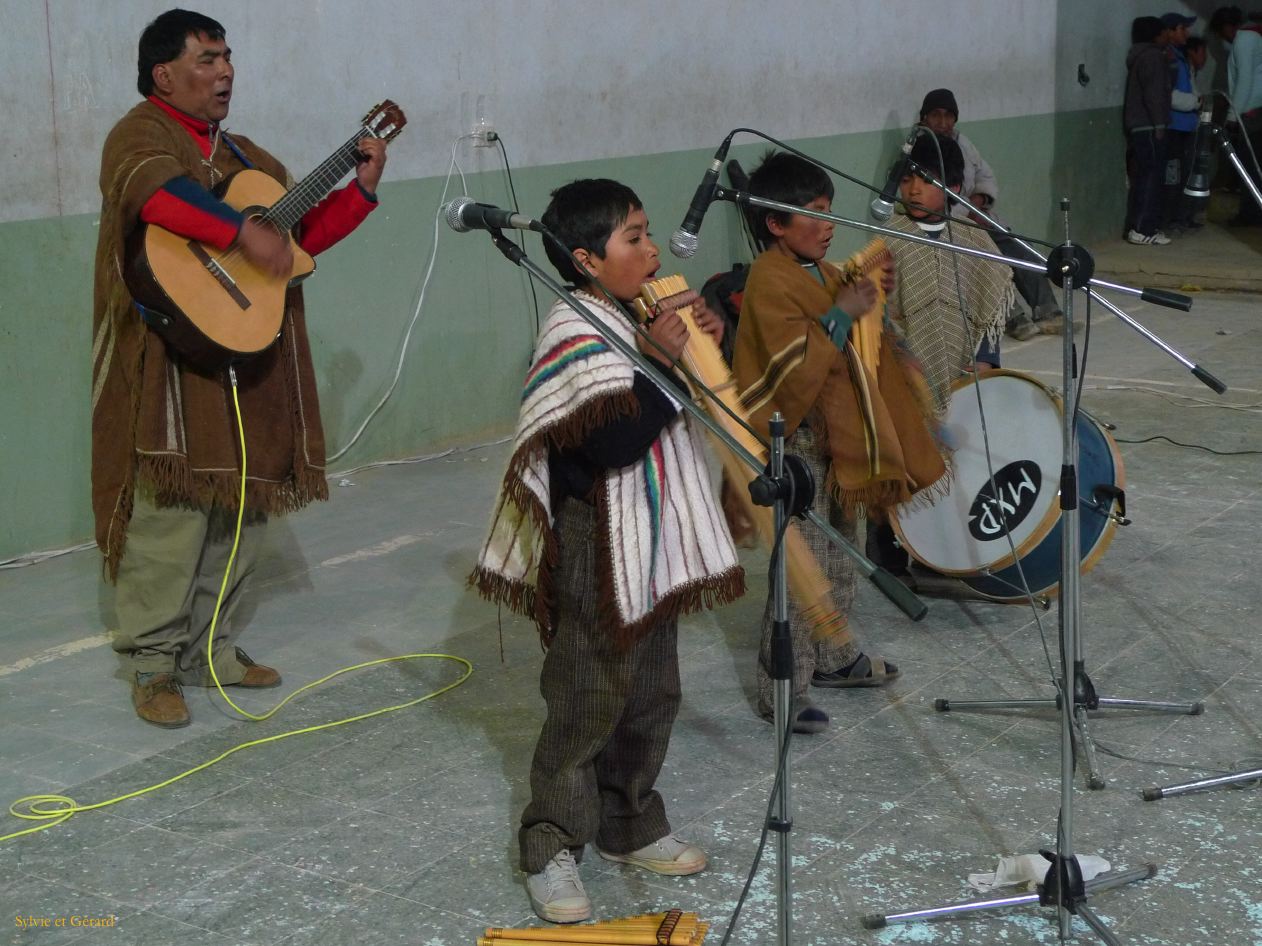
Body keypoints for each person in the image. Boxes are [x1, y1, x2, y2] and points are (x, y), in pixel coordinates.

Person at [92, 10, 387, 727]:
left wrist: (362, 191)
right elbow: (160, 197)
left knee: (243, 508)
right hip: (169, 359)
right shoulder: (139, 133)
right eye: (206, 59)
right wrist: (239, 233)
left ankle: (210, 651)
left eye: (228, 58)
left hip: (249, 359)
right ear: (164, 74)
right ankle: (153, 665)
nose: (224, 72)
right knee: (173, 516)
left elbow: (296, 243)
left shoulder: (251, 158)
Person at [471, 179, 745, 923]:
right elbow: (613, 439)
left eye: (649, 232)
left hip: (651, 536)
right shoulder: (573, 328)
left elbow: (675, 409)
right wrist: (661, 360)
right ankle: (552, 842)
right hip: (598, 538)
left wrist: (701, 345)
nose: (653, 250)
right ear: (588, 259)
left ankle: (630, 823)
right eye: (634, 238)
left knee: (653, 691)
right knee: (588, 699)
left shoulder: (637, 313)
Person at [731, 151, 948, 735]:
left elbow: (859, 348)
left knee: (842, 553)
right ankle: (783, 688)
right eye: (814, 213)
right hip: (795, 444)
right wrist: (842, 315)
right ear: (775, 224)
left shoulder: (825, 275)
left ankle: (831, 657)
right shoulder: (768, 279)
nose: (829, 225)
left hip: (837, 448)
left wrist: (869, 302)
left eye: (830, 211)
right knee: (801, 565)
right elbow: (787, 371)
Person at [866, 133, 1013, 577]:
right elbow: (877, 312)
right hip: (905, 373)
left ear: (953, 186)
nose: (913, 190)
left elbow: (993, 301)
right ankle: (890, 553)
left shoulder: (973, 238)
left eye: (927, 181)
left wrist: (986, 359)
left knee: (957, 463)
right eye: (908, 179)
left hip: (963, 372)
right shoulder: (889, 239)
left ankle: (942, 554)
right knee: (905, 464)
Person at [918, 88, 1066, 339]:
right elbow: (929, 199)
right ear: (924, 118)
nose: (942, 122)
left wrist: (979, 200)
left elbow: (985, 175)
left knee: (1018, 248)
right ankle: (1013, 319)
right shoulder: (918, 149)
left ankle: (1047, 311)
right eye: (936, 115)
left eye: (948, 116)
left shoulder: (962, 143)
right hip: (949, 228)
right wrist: (968, 213)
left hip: (979, 218)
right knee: (988, 260)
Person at [1124, 16, 1174, 244]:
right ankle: (1143, 229)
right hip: (1150, 126)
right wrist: (1160, 125)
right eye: (1165, 32)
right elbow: (1155, 95)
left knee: (1146, 176)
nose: (1168, 36)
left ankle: (1144, 227)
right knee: (1151, 177)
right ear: (1157, 35)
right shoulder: (1153, 57)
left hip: (1140, 125)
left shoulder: (1140, 56)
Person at [1210, 6, 1262, 224]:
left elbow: (1244, 82)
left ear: (1227, 27)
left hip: (1250, 112)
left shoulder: (1244, 40)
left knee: (1247, 166)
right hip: (1254, 108)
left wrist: (1232, 116)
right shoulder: (1254, 36)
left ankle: (1251, 214)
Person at [1162, 12, 1202, 232]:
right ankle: (1170, 219)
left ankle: (1182, 216)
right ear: (1169, 31)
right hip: (1174, 127)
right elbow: (1170, 96)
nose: (1186, 33)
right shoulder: (1168, 59)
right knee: (1172, 177)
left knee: (1185, 175)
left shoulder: (1179, 57)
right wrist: (1196, 101)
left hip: (1186, 126)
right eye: (1181, 28)